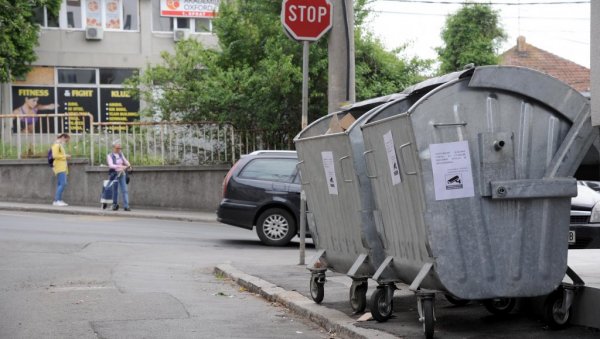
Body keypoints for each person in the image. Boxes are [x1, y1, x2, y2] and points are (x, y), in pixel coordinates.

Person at [107, 141, 132, 211]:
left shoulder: (121, 154)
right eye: (117, 148)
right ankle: (115, 205)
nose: (119, 150)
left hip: (122, 173)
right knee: (115, 190)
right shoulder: (109, 156)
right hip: (114, 174)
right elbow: (111, 165)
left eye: (120, 148)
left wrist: (129, 165)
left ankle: (126, 206)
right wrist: (120, 166)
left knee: (125, 190)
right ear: (113, 148)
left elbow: (125, 160)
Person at [51, 134, 71, 206]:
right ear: (63, 138)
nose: (66, 142)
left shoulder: (58, 145)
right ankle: (57, 200)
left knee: (61, 183)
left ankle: (58, 200)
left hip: (61, 166)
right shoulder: (57, 145)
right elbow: (55, 156)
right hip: (60, 167)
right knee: (63, 183)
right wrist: (65, 156)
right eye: (66, 140)